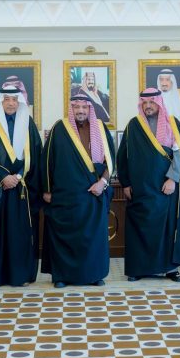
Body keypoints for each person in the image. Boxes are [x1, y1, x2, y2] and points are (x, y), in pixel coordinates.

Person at [40, 94, 115, 287]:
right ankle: (62, 276)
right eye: (77, 107)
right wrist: (47, 190)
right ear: (71, 109)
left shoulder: (100, 128)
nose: (80, 110)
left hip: (93, 194)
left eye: (84, 107)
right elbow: (47, 160)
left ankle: (94, 275)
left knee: (93, 238)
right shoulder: (59, 128)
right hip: (66, 197)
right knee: (65, 238)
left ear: (90, 109)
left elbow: (111, 161)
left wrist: (103, 183)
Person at [0, 84, 42, 287]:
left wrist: (18, 176)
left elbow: (35, 154)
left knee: (17, 234)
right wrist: (4, 177)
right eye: (7, 100)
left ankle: (19, 276)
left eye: (14, 100)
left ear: (20, 102)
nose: (11, 103)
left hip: (21, 188)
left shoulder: (28, 123)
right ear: (0, 102)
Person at [117, 88, 180, 282]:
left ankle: (171, 269)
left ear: (159, 103)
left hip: (165, 186)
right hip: (140, 188)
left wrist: (172, 178)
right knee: (140, 228)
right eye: (144, 103)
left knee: (167, 228)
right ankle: (138, 269)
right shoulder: (133, 125)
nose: (148, 106)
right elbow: (122, 156)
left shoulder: (172, 123)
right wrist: (126, 183)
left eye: (151, 102)